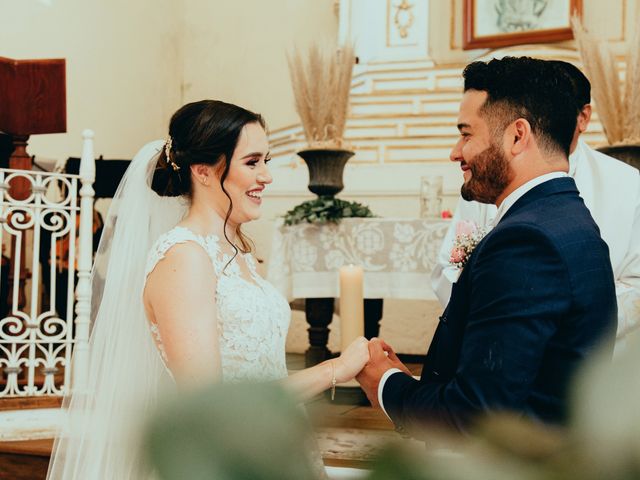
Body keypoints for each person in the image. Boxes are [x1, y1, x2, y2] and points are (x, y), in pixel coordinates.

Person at [47, 100, 369, 479]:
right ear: (203, 171)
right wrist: (334, 369)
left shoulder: (239, 252)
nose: (266, 176)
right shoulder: (184, 259)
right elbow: (212, 404)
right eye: (252, 162)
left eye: (266, 160)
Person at [356, 57, 618, 434]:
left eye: (466, 134)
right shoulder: (570, 217)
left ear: (517, 135)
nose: (455, 152)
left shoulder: (526, 241)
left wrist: (384, 384)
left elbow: (475, 415)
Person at [432, 60, 640, 351]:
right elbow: (448, 266)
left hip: (592, 362)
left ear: (583, 117)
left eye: (467, 134)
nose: (456, 152)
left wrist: (557, 317)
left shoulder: (629, 185)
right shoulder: (487, 178)